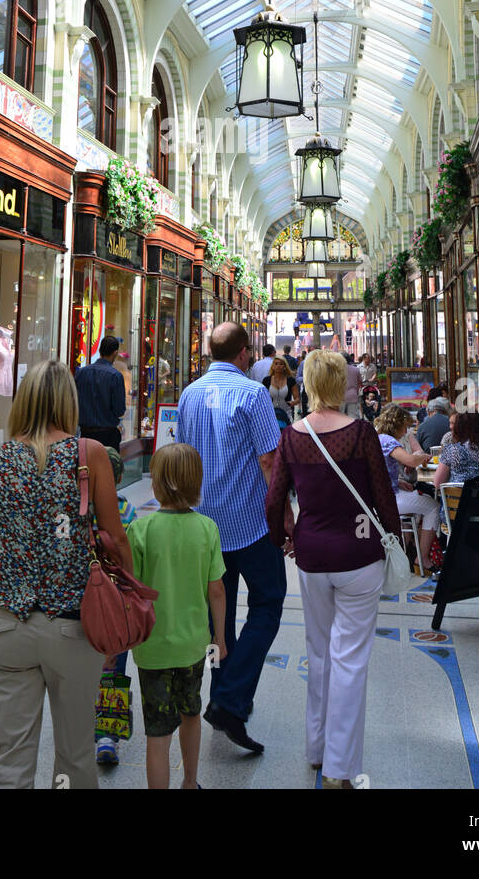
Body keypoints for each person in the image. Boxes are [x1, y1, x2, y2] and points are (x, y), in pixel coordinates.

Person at [0, 360, 132, 790]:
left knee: (8, 756)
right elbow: (115, 540)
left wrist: (21, 571)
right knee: (76, 756)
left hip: (7, 625)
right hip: (73, 628)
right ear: (68, 402)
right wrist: (123, 603)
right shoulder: (90, 456)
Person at [265, 350, 401, 789]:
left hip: (312, 556)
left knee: (319, 651)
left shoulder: (292, 437)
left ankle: (316, 747)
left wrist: (282, 538)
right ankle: (339, 769)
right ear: (342, 384)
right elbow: (383, 497)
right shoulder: (361, 434)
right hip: (359, 557)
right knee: (351, 660)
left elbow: (275, 499)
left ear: (305, 384)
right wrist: (394, 543)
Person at [176, 322, 286, 753]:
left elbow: (181, 458)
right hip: (252, 525)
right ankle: (229, 697)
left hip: (203, 525)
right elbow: (269, 461)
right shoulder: (253, 394)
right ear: (244, 354)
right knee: (269, 602)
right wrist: (285, 516)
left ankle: (227, 696)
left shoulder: (188, 395)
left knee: (215, 620)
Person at [127, 444, 227, 790]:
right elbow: (216, 591)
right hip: (192, 646)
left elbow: (133, 594)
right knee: (191, 714)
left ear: (155, 483)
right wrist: (220, 640)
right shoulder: (207, 529)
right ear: (197, 482)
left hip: (152, 649)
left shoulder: (141, 531)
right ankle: (189, 782)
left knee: (157, 733)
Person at [95, 446, 138, 768]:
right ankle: (107, 735)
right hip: (115, 605)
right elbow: (131, 556)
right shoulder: (127, 512)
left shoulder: (79, 511)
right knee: (114, 669)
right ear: (121, 478)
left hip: (80, 602)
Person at [374, 403, 439, 570]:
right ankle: (422, 558)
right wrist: (423, 456)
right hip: (389, 500)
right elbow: (410, 461)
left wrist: (397, 481)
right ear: (397, 425)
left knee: (419, 503)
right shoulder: (388, 440)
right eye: (405, 427)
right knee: (433, 507)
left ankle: (408, 551)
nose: (405, 431)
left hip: (382, 496)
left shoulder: (377, 437)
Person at [74, 335, 126, 452]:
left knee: (86, 468)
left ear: (99, 350)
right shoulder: (115, 376)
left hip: (85, 435)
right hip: (107, 437)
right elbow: (119, 410)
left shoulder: (81, 373)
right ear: (115, 353)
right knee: (108, 468)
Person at [433, 411, 479, 487]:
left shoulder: (452, 450)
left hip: (458, 498)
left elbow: (437, 484)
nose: (450, 427)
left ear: (459, 429)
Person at [262, 356, 301, 430]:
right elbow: (262, 398)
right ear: (272, 366)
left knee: (285, 437)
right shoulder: (266, 380)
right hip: (270, 414)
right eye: (276, 364)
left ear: (285, 367)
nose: (278, 366)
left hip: (287, 414)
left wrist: (293, 402)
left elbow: (297, 399)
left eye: (281, 364)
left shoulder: (290, 380)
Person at [415, 387, 452, 452]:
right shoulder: (452, 423)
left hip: (429, 459)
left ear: (429, 411)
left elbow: (417, 449)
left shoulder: (422, 426)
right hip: (450, 458)